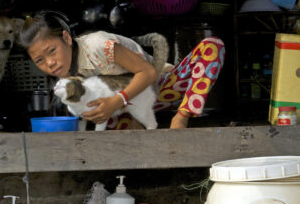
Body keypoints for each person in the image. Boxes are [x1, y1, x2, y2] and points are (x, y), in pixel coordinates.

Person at [18, 13, 225, 129]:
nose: (50, 63)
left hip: (163, 89)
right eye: (39, 60)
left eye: (52, 51)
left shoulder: (98, 45)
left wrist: (116, 102)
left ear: (66, 38)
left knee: (212, 46)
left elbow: (148, 73)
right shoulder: (69, 80)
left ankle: (182, 116)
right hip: (130, 109)